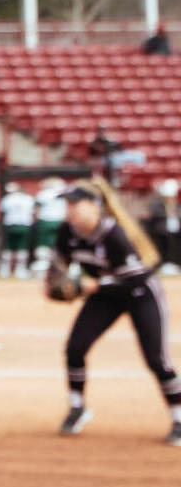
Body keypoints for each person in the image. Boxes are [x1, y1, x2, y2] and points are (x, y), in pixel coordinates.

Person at [47, 181, 181, 445]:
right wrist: (58, 285)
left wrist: (91, 286)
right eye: (67, 204)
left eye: (75, 204)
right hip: (106, 296)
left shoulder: (113, 234)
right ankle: (77, 408)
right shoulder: (68, 233)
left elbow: (134, 280)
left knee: (157, 360)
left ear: (94, 206)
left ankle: (178, 417)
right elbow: (56, 272)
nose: (70, 210)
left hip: (141, 294)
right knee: (75, 348)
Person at [0, 180, 38, 278]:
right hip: (24, 225)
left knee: (9, 248)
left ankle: (5, 271)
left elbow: (2, 212)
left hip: (10, 225)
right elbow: (33, 212)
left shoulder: (7, 198)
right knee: (22, 248)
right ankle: (19, 270)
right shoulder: (28, 198)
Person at [33, 176, 69, 274]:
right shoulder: (63, 194)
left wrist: (35, 220)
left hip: (45, 221)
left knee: (44, 243)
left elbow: (37, 210)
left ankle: (45, 264)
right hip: (60, 221)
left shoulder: (43, 194)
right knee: (59, 243)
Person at [149, 178, 181, 272]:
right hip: (162, 232)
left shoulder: (178, 205)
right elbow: (155, 216)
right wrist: (168, 210)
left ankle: (176, 263)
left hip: (177, 233)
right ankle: (164, 263)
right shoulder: (156, 204)